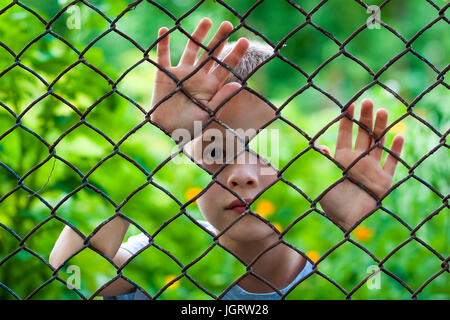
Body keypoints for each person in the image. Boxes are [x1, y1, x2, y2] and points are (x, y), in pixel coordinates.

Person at [49, 18, 405, 300]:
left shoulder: (339, 268)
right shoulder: (165, 257)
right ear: (180, 157)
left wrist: (351, 235)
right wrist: (151, 136)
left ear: (308, 155)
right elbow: (73, 270)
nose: (243, 175)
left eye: (267, 151)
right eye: (216, 152)